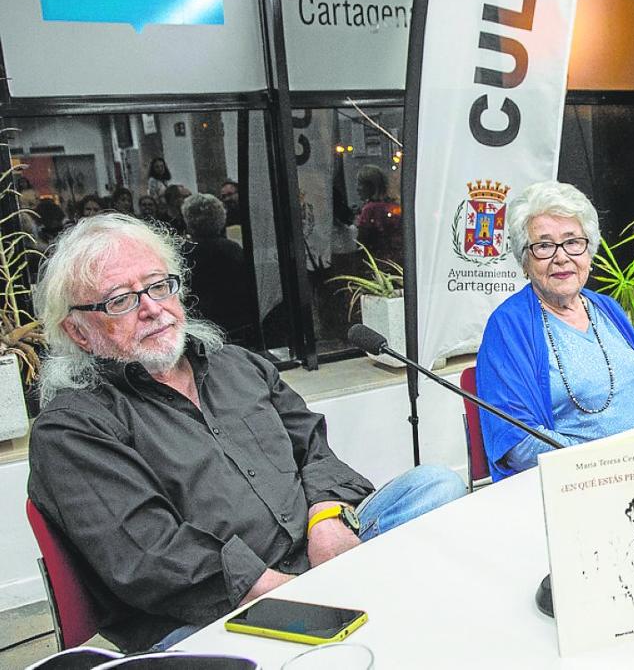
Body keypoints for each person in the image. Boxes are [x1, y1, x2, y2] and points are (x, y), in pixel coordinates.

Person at [27, 214, 466, 652]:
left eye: (159, 285)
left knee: (435, 485)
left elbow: (314, 450)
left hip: (318, 554)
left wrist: (326, 520)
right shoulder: (73, 428)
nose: (152, 308)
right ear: (78, 332)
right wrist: (298, 595)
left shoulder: (238, 366)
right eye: (121, 300)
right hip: (215, 616)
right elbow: (151, 557)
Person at [475, 181, 634, 480]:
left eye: (572, 242)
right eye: (544, 245)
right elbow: (516, 442)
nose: (561, 256)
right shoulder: (508, 326)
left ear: (589, 253)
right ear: (524, 261)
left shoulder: (608, 309)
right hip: (574, 487)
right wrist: (605, 466)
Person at [181, 194, 255, 342]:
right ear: (221, 218)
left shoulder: (183, 252)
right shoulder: (233, 249)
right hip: (237, 324)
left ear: (188, 220)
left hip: (200, 327)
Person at [354, 165, 402, 263]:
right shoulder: (392, 205)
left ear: (371, 187)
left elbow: (361, 242)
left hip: (376, 260)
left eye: (360, 184)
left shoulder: (369, 209)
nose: (357, 188)